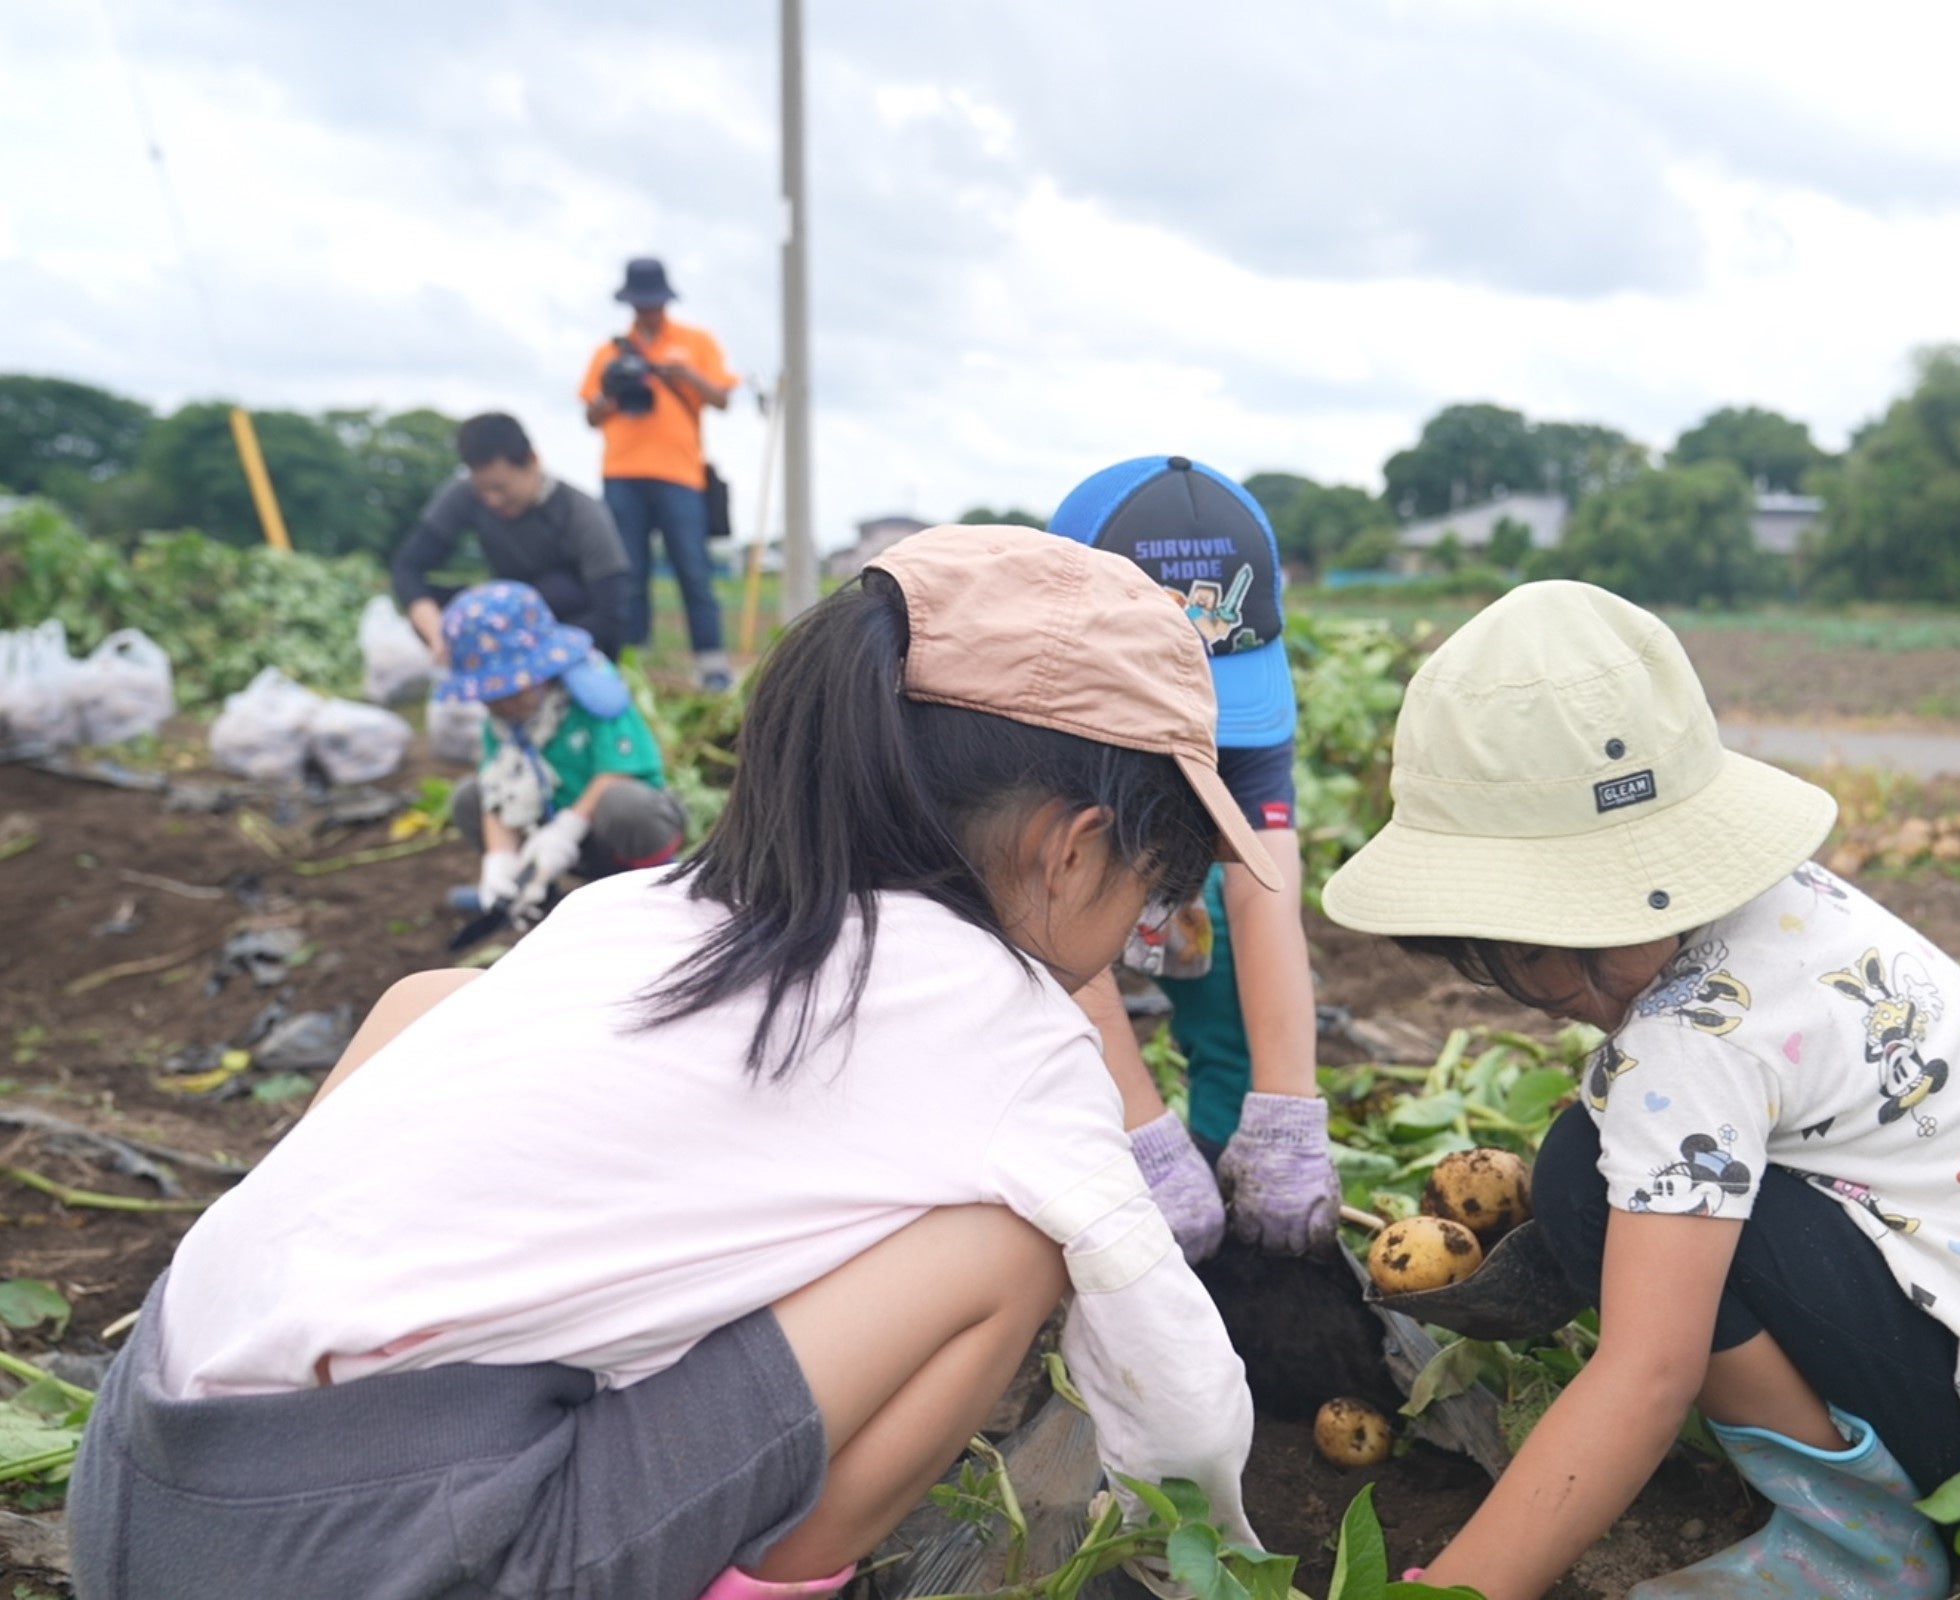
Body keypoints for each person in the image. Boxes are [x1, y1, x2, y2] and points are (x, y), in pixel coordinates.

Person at [67, 526, 1273, 1600]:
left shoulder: (633, 910)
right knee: (1008, 1239)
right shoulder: (1015, 1035)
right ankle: (767, 1580)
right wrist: (1224, 1529)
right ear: (1072, 852)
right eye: (1153, 890)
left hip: (139, 1481)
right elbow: (1177, 1382)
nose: (1142, 930)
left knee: (431, 999)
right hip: (388, 1556)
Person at [1320, 581, 1960, 1600]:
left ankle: (1864, 1545)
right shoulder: (1792, 904)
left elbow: (1646, 1375)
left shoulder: (1691, 1037)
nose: (1608, 977)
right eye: (1560, 950)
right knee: (1598, 1152)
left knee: (1591, 1180)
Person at [1046, 456, 1339, 1262]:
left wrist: (1288, 1112)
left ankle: (1224, 1162)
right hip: (1013, 915)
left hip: (1156, 864)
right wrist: (1140, 1132)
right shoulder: (1021, 720)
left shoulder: (1245, 720)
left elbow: (1264, 889)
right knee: (1038, 1056)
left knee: (1236, 990)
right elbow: (1045, 928)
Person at [436, 581, 688, 920]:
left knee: (625, 803)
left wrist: (566, 829)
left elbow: (618, 770)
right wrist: (499, 859)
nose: (503, 704)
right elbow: (497, 787)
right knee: (470, 796)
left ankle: (659, 893)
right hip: (553, 837)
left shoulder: (593, 695)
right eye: (491, 696)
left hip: (613, 835)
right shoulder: (502, 719)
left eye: (513, 691)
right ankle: (534, 893)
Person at [580, 256, 737, 691]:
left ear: (665, 300)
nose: (647, 309)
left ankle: (712, 665)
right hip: (622, 473)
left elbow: (722, 398)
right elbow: (591, 416)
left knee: (694, 570)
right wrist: (613, 388)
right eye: (640, 302)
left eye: (653, 302)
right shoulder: (609, 353)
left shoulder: (695, 343)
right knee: (627, 572)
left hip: (681, 475)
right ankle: (634, 661)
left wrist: (685, 374)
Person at [389, 412, 632, 662]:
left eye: (500, 488)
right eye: (482, 489)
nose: (491, 500)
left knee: (558, 590)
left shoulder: (581, 511)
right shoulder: (464, 495)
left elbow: (611, 615)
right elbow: (408, 567)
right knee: (448, 604)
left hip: (563, 625)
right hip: (503, 612)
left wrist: (526, 651)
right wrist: (436, 633)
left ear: (532, 461)